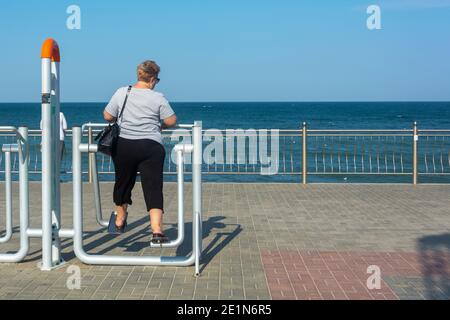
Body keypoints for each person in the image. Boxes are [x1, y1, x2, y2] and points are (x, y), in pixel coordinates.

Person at [103, 60, 177, 244]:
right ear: (152, 79)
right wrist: (158, 125)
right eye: (157, 80)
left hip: (125, 145)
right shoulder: (158, 97)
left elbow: (107, 116)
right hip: (150, 147)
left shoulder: (122, 92)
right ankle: (157, 230)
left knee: (123, 182)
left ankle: (120, 220)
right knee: (153, 187)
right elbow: (171, 121)